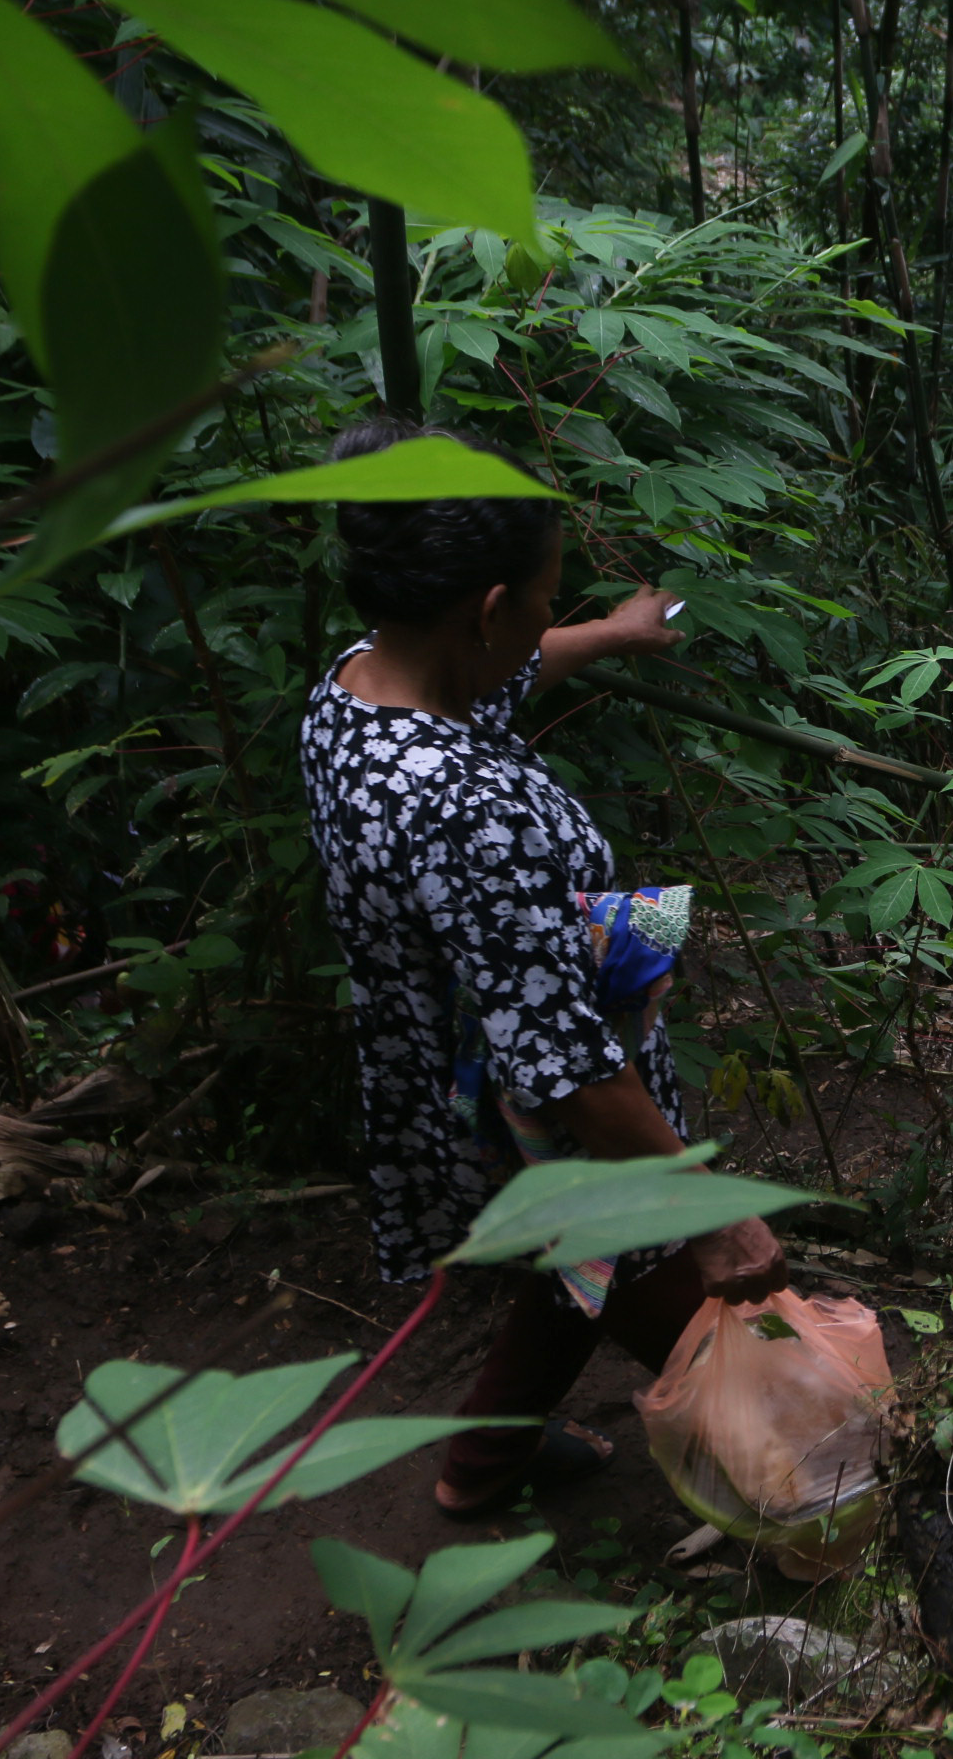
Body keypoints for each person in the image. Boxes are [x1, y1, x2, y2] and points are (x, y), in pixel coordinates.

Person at [300, 419, 788, 1518]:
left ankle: (480, 1465)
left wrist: (609, 634)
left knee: (570, 1274)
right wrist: (714, 1215)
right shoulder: (462, 808)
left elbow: (504, 672)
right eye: (543, 601)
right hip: (528, 1117)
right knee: (676, 1292)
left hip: (442, 1062)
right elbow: (564, 1068)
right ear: (485, 611)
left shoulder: (359, 692)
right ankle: (812, 1482)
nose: (545, 625)